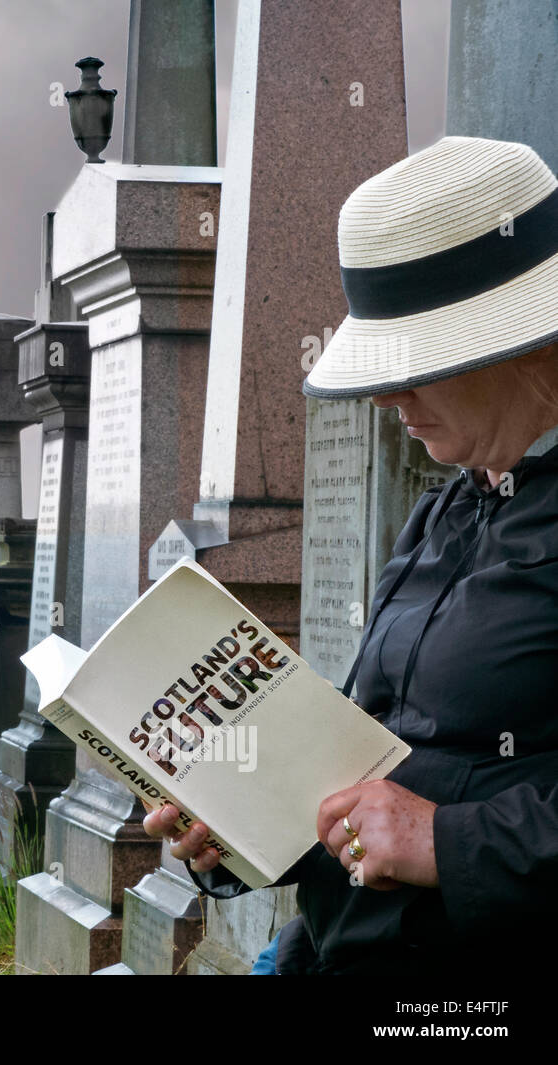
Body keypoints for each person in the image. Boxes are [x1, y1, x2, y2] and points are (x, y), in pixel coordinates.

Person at [144, 135, 558, 974]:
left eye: (418, 362)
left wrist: (447, 840)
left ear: (517, 345)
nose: (388, 395)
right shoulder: (448, 508)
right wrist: (239, 819)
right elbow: (363, 786)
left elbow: (426, 821)